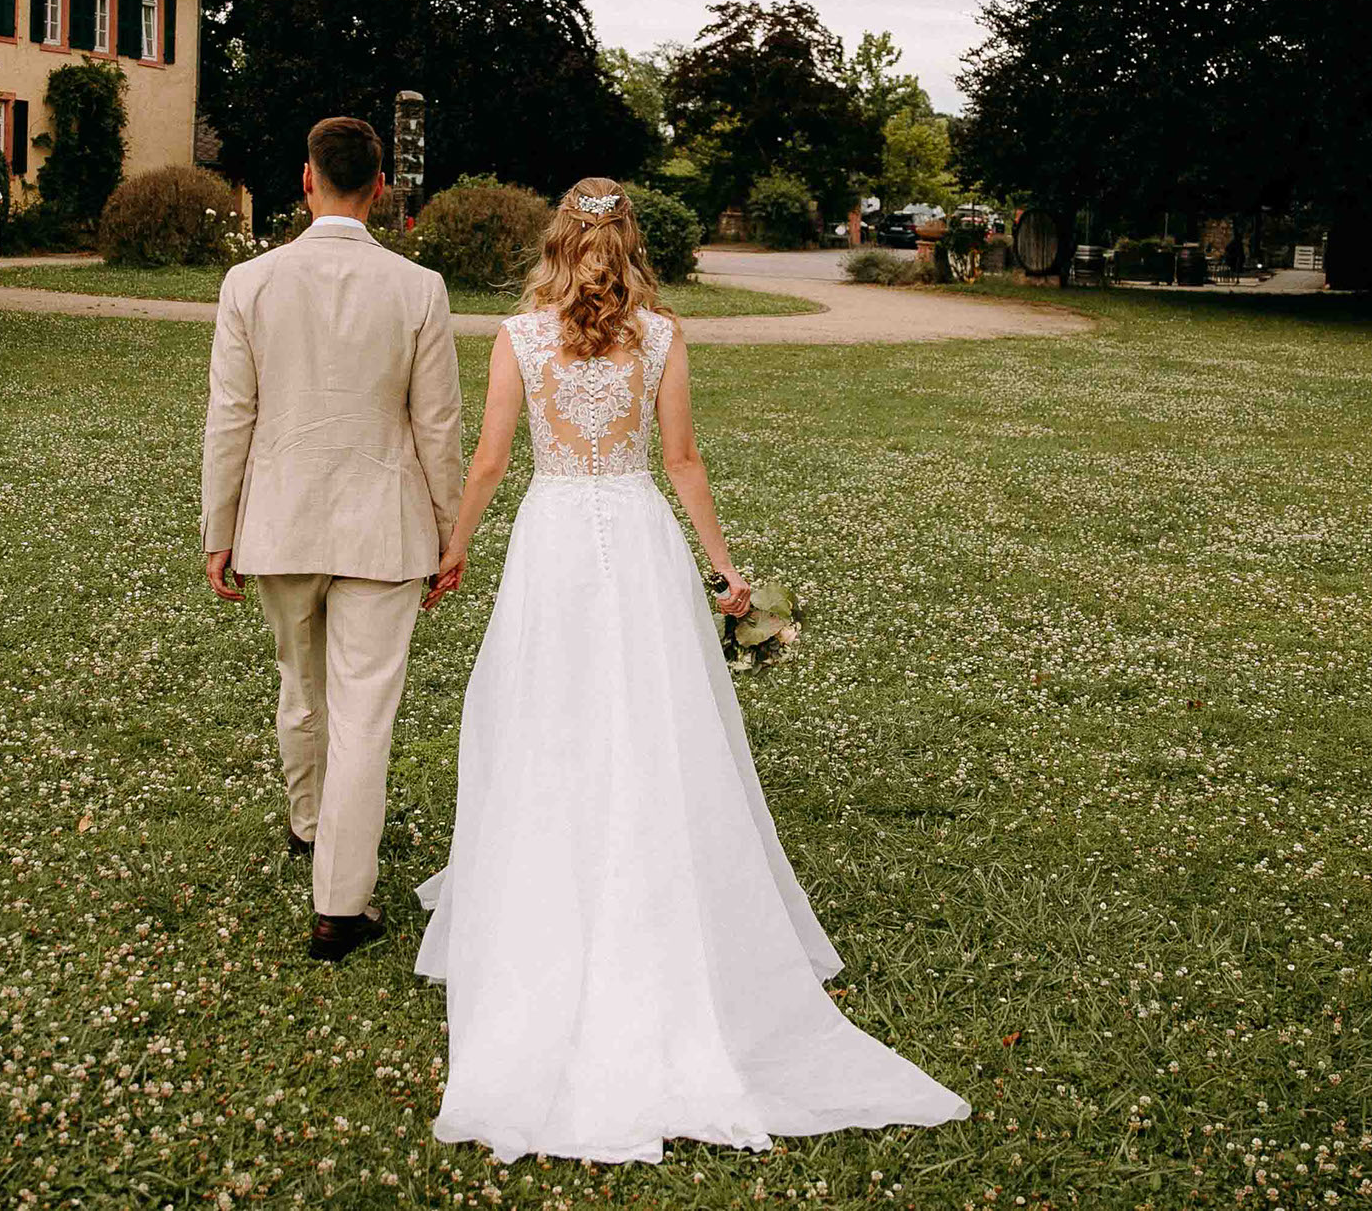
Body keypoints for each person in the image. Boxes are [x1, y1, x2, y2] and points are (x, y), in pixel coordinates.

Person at [413, 178, 969, 1164]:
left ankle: (554, 886)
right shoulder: (663, 337)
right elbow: (682, 459)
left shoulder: (516, 335)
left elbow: (492, 459)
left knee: (549, 718)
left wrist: (455, 546)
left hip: (550, 539)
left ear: (558, 242)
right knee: (651, 720)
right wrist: (725, 566)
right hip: (633, 539)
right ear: (629, 242)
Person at [200, 117, 465, 962]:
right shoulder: (418, 288)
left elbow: (229, 416)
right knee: (364, 712)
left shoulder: (250, 281)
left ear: (306, 180)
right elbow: (437, 425)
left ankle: (312, 826)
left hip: (278, 521)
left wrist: (220, 526)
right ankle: (340, 903)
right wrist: (449, 528)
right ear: (380, 189)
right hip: (384, 529)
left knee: (299, 683)